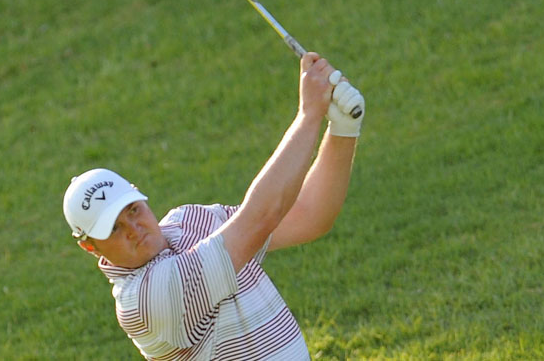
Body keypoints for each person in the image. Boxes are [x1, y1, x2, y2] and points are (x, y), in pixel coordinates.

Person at [62, 52, 364, 360]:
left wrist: (342, 130)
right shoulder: (143, 301)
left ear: (140, 196)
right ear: (91, 247)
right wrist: (309, 115)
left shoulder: (191, 220)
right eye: (113, 228)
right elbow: (260, 217)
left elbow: (308, 216)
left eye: (133, 211)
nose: (133, 229)